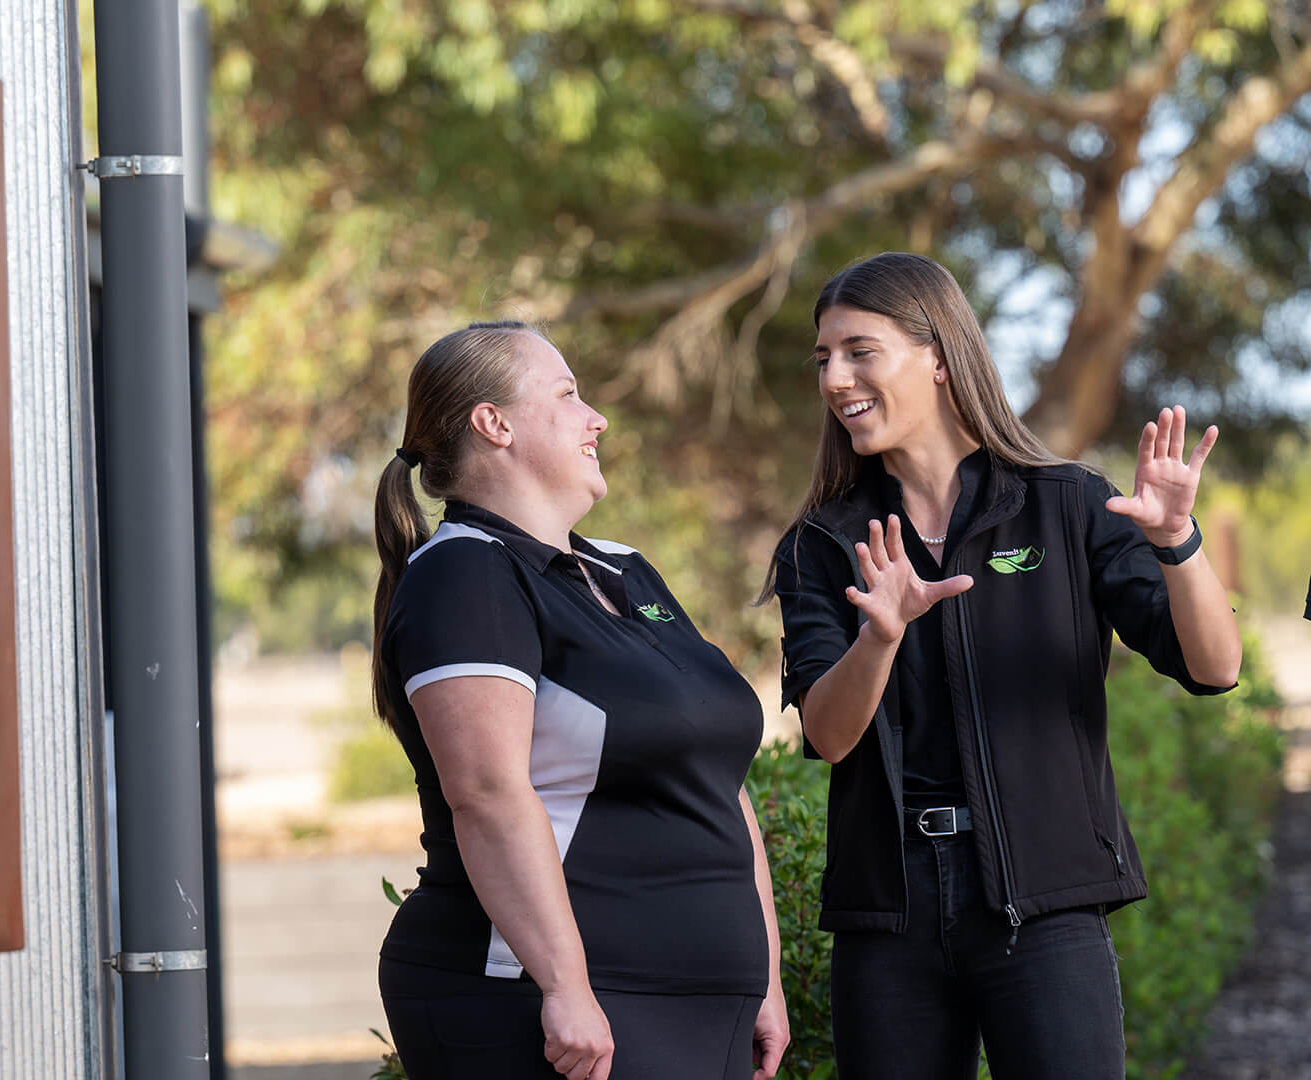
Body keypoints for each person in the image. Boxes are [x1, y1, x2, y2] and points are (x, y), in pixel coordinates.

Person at [764, 252, 1243, 1079]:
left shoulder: (1067, 503)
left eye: (859, 351)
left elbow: (1212, 668)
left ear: (940, 359)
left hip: (1045, 907)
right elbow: (831, 736)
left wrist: (1175, 543)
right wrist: (879, 637)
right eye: (824, 358)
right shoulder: (825, 542)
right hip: (890, 918)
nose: (835, 378)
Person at [372, 320, 789, 1080]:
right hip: (549, 1002)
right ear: (493, 424)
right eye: (567, 395)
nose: (596, 418)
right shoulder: (464, 574)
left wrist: (764, 975)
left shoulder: (625, 568)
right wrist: (566, 986)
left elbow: (718, 781)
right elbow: (489, 794)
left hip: (700, 1001)